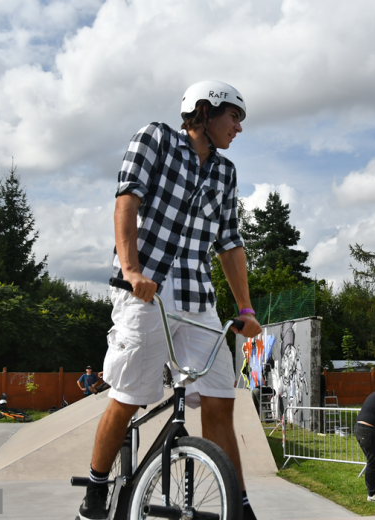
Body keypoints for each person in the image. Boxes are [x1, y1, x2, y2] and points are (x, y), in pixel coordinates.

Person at [78, 80, 263, 520]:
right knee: (128, 395)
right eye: (234, 116)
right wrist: (130, 270)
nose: (238, 127)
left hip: (198, 298)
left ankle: (237, 503)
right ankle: (97, 488)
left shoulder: (225, 172)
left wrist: (246, 309)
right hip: (146, 292)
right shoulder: (156, 138)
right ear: (205, 110)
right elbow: (127, 198)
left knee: (221, 399)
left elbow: (230, 242)